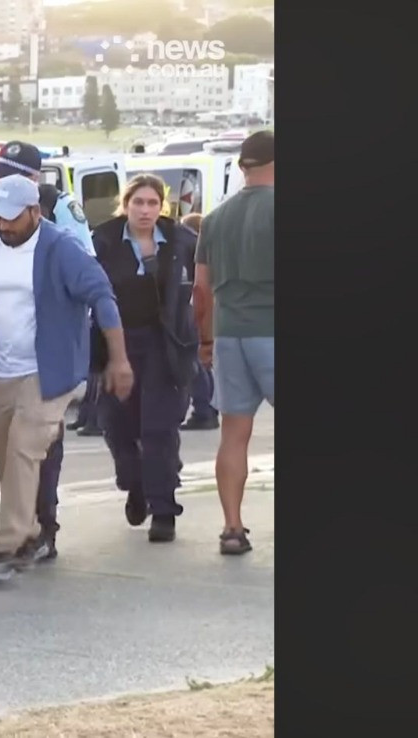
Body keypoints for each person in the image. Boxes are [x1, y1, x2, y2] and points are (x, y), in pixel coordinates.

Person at [0, 175, 130, 582]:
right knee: (2, 447)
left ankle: (6, 546)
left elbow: (102, 297)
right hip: (2, 369)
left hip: (49, 369)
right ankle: (29, 529)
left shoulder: (61, 249)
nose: (3, 225)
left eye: (11, 218)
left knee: (24, 446)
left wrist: (119, 359)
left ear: (34, 212)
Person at [89, 174, 200, 543]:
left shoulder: (182, 241)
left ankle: (163, 509)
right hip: (115, 342)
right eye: (138, 202)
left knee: (159, 428)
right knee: (117, 425)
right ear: (126, 205)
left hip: (164, 344)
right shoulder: (103, 241)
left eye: (153, 203)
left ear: (162, 207)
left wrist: (201, 338)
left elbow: (201, 285)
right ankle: (134, 483)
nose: (145, 210)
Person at [195, 130, 273, 556]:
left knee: (234, 434)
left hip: (229, 334)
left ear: (243, 166)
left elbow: (201, 289)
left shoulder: (214, 219)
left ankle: (232, 528)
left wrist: (206, 340)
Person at [180, 212, 219, 430]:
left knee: (195, 364)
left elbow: (198, 288)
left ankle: (203, 410)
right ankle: (208, 409)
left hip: (195, 312)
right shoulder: (211, 251)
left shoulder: (193, 251)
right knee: (202, 365)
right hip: (210, 313)